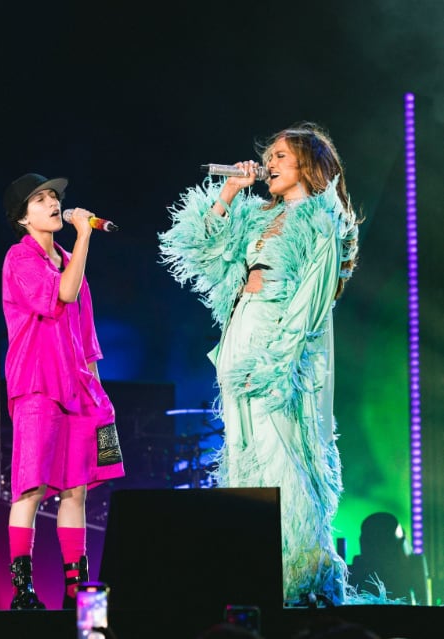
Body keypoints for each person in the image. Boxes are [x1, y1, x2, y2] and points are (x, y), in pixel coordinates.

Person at [158, 122, 361, 605]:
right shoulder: (255, 217)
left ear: (308, 166)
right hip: (242, 334)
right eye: (267, 156)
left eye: (280, 158)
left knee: (281, 450)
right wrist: (229, 189)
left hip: (281, 342)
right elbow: (201, 248)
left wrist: (278, 360)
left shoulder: (322, 218)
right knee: (244, 451)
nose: (268, 164)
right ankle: (250, 569)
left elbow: (312, 300)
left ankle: (297, 580)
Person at [1, 172, 125, 610]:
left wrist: (99, 393)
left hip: (79, 387)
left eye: (54, 196)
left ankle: (78, 592)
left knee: (78, 490)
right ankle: (23, 590)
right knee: (31, 488)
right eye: (40, 199)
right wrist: (85, 236)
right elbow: (64, 294)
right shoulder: (20, 259)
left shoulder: (71, 259)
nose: (53, 203)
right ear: (23, 217)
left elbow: (86, 338)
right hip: (37, 385)